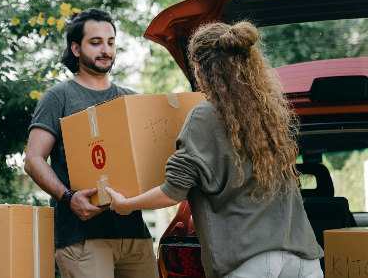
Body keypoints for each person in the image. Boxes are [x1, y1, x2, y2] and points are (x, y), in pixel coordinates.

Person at [105, 21, 324, 278]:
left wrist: (126, 205)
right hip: (302, 259)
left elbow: (172, 193)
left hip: (249, 260)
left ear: (199, 69)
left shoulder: (205, 115)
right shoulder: (270, 111)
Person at [24, 8, 158, 278]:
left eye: (110, 42)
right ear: (76, 48)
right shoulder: (58, 97)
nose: (105, 49)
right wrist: (69, 198)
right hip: (82, 238)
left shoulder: (131, 99)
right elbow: (33, 160)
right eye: (95, 43)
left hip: (135, 235)